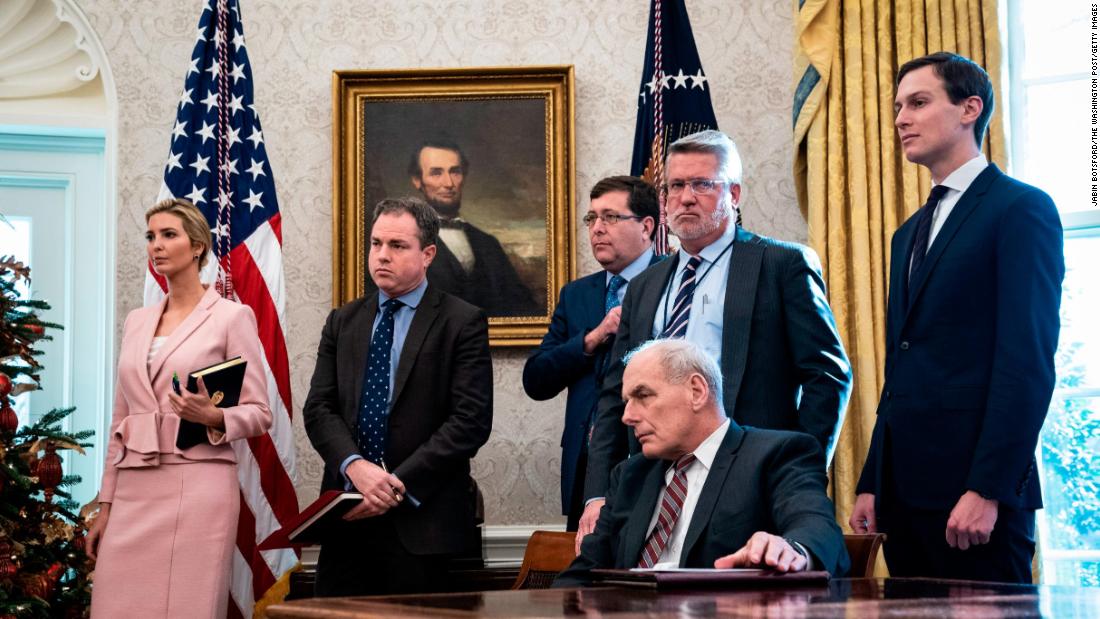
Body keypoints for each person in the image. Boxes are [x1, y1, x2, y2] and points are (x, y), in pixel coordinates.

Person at [578, 130, 852, 549]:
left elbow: (827, 376)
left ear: (734, 193)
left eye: (703, 184)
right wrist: (598, 493)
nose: (686, 197)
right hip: (655, 484)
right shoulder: (646, 286)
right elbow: (616, 394)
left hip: (750, 483)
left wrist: (799, 468)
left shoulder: (781, 265)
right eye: (675, 185)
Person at [850, 52, 1064, 583]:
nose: (900, 118)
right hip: (903, 499)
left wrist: (988, 488)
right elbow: (901, 370)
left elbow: (1027, 362)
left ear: (970, 109)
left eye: (918, 103)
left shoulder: (1021, 209)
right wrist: (873, 480)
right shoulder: (907, 234)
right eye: (898, 106)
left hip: (975, 501)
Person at [86, 198, 272, 618]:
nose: (157, 245)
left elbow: (261, 412)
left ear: (197, 246)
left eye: (168, 235)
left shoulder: (231, 317)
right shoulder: (137, 320)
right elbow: (121, 418)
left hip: (198, 486)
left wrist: (214, 416)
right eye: (151, 236)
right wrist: (106, 506)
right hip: (133, 488)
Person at [303, 196, 493, 596]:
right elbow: (319, 409)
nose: (382, 256)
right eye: (376, 244)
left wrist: (392, 486)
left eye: (397, 246)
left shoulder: (462, 321)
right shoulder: (343, 321)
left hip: (424, 524)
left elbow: (469, 422)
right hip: (348, 517)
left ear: (427, 254)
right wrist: (355, 467)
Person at [554, 339, 848, 587]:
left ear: (696, 391)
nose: (627, 416)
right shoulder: (630, 475)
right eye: (626, 401)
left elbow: (816, 526)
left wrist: (792, 550)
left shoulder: (776, 455)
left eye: (642, 396)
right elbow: (583, 574)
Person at [522, 176, 661, 531]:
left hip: (653, 458)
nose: (597, 229)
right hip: (586, 468)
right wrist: (592, 338)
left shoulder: (673, 282)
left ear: (647, 227)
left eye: (610, 217)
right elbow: (536, 380)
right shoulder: (577, 295)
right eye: (592, 219)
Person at [408, 138, 540, 317]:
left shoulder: (488, 244)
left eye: (455, 172)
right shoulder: (404, 242)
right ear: (417, 180)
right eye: (436, 173)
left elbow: (524, 307)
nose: (448, 183)